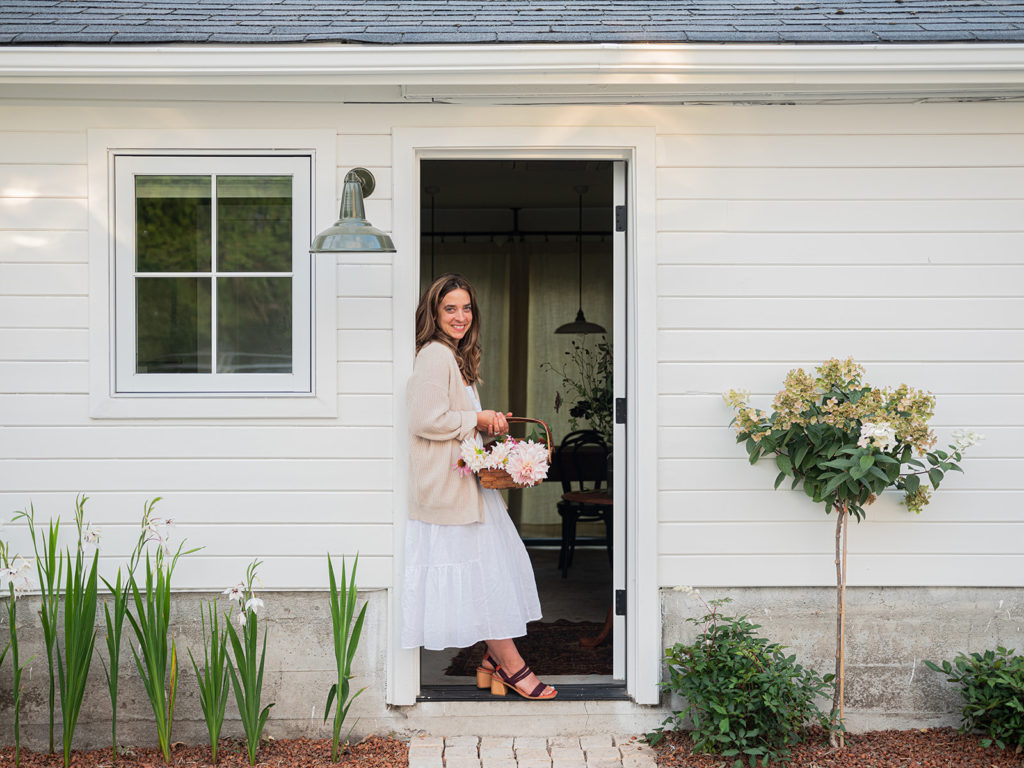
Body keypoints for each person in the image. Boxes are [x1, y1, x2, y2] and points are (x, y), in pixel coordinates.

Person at [402, 273, 557, 700]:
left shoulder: (454, 357)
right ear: (434, 312)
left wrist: (490, 431)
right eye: (450, 308)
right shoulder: (434, 355)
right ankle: (511, 667)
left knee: (489, 575)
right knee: (483, 579)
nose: (460, 316)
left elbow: (455, 423)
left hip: (468, 487)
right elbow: (425, 420)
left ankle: (493, 661)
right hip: (449, 492)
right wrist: (478, 418)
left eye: (466, 308)